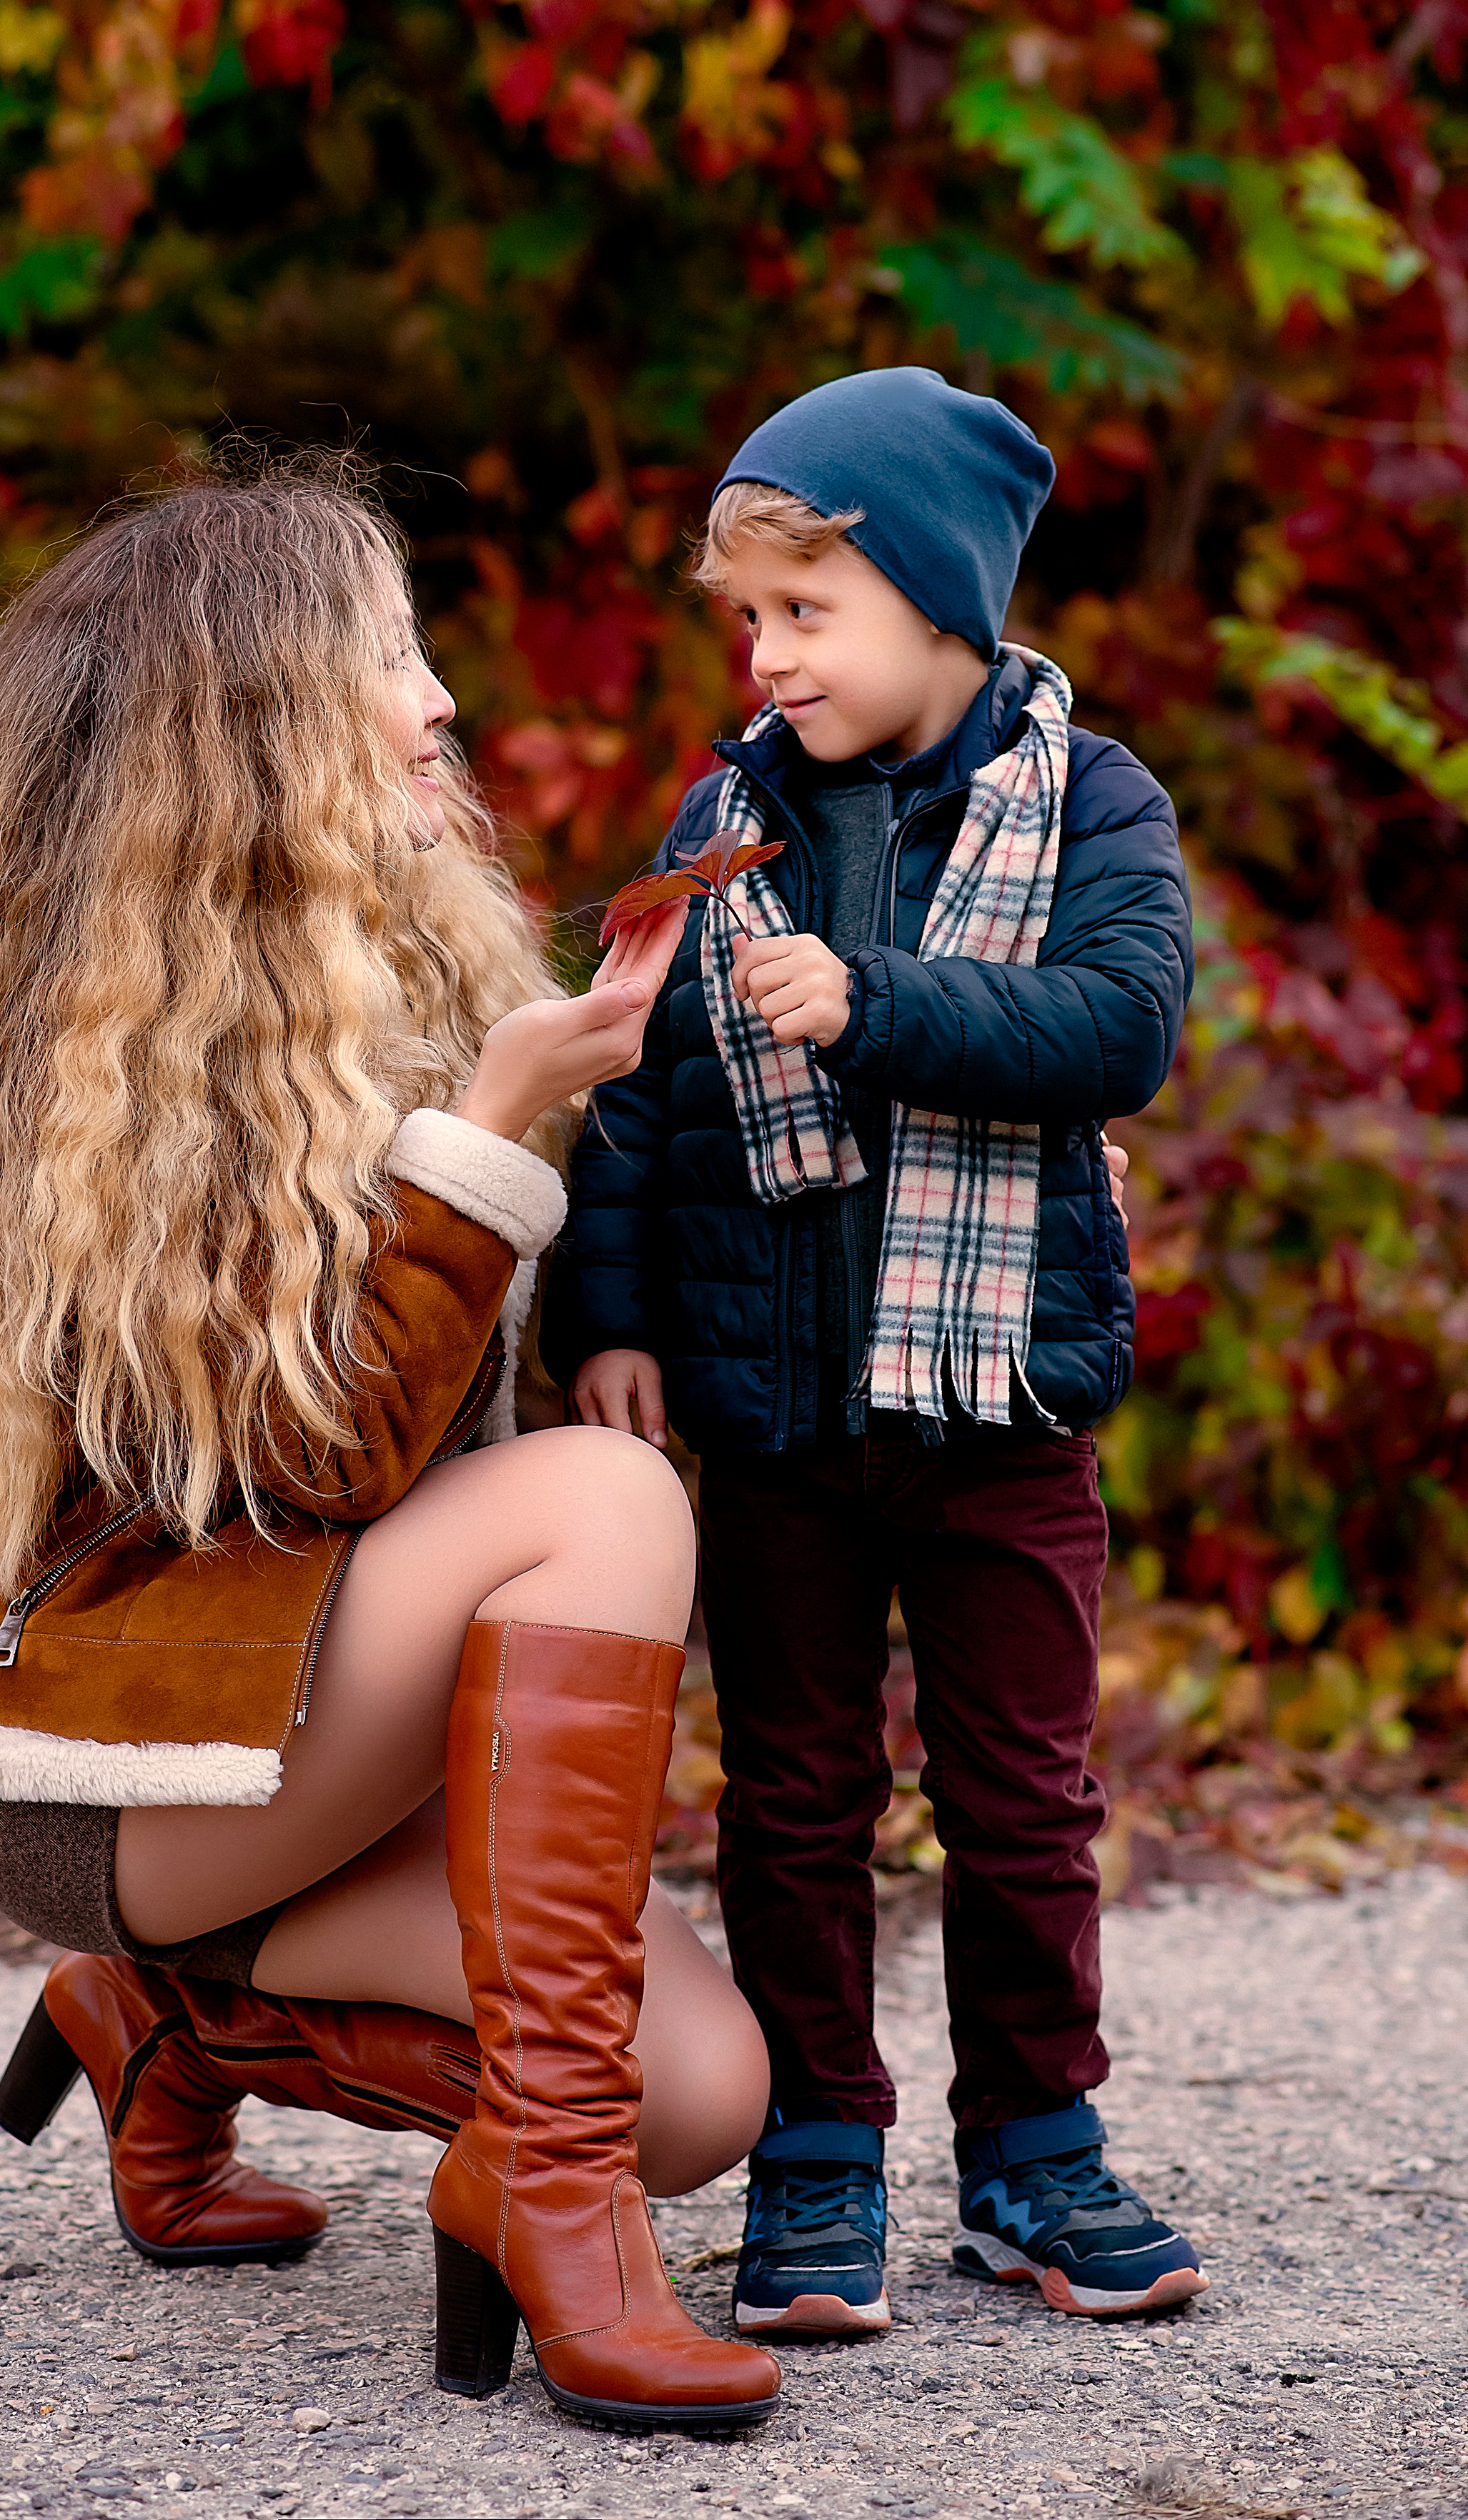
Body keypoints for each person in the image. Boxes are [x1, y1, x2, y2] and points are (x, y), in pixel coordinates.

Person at [0, 461, 781, 2434]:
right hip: (129, 1761)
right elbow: (334, 1469)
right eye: (383, 658)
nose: (438, 703)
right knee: (601, 1496)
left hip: (307, 1699)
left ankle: (164, 2025)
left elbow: (447, 1443)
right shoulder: (103, 1056)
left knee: (704, 2099)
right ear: (247, 727)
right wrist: (494, 1119)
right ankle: (547, 2205)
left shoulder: (387, 959)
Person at [546, 368, 1208, 2335]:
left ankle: (1035, 2146)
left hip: (1002, 1397)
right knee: (795, 1795)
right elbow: (651, 1087)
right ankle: (819, 2155)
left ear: (941, 601)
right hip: (771, 1412)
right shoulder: (731, 806)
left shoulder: (1093, 798)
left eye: (805, 609)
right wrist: (613, 1313)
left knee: (1022, 1790)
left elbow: (1117, 1024)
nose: (766, 654)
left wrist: (876, 1000)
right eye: (748, 616)